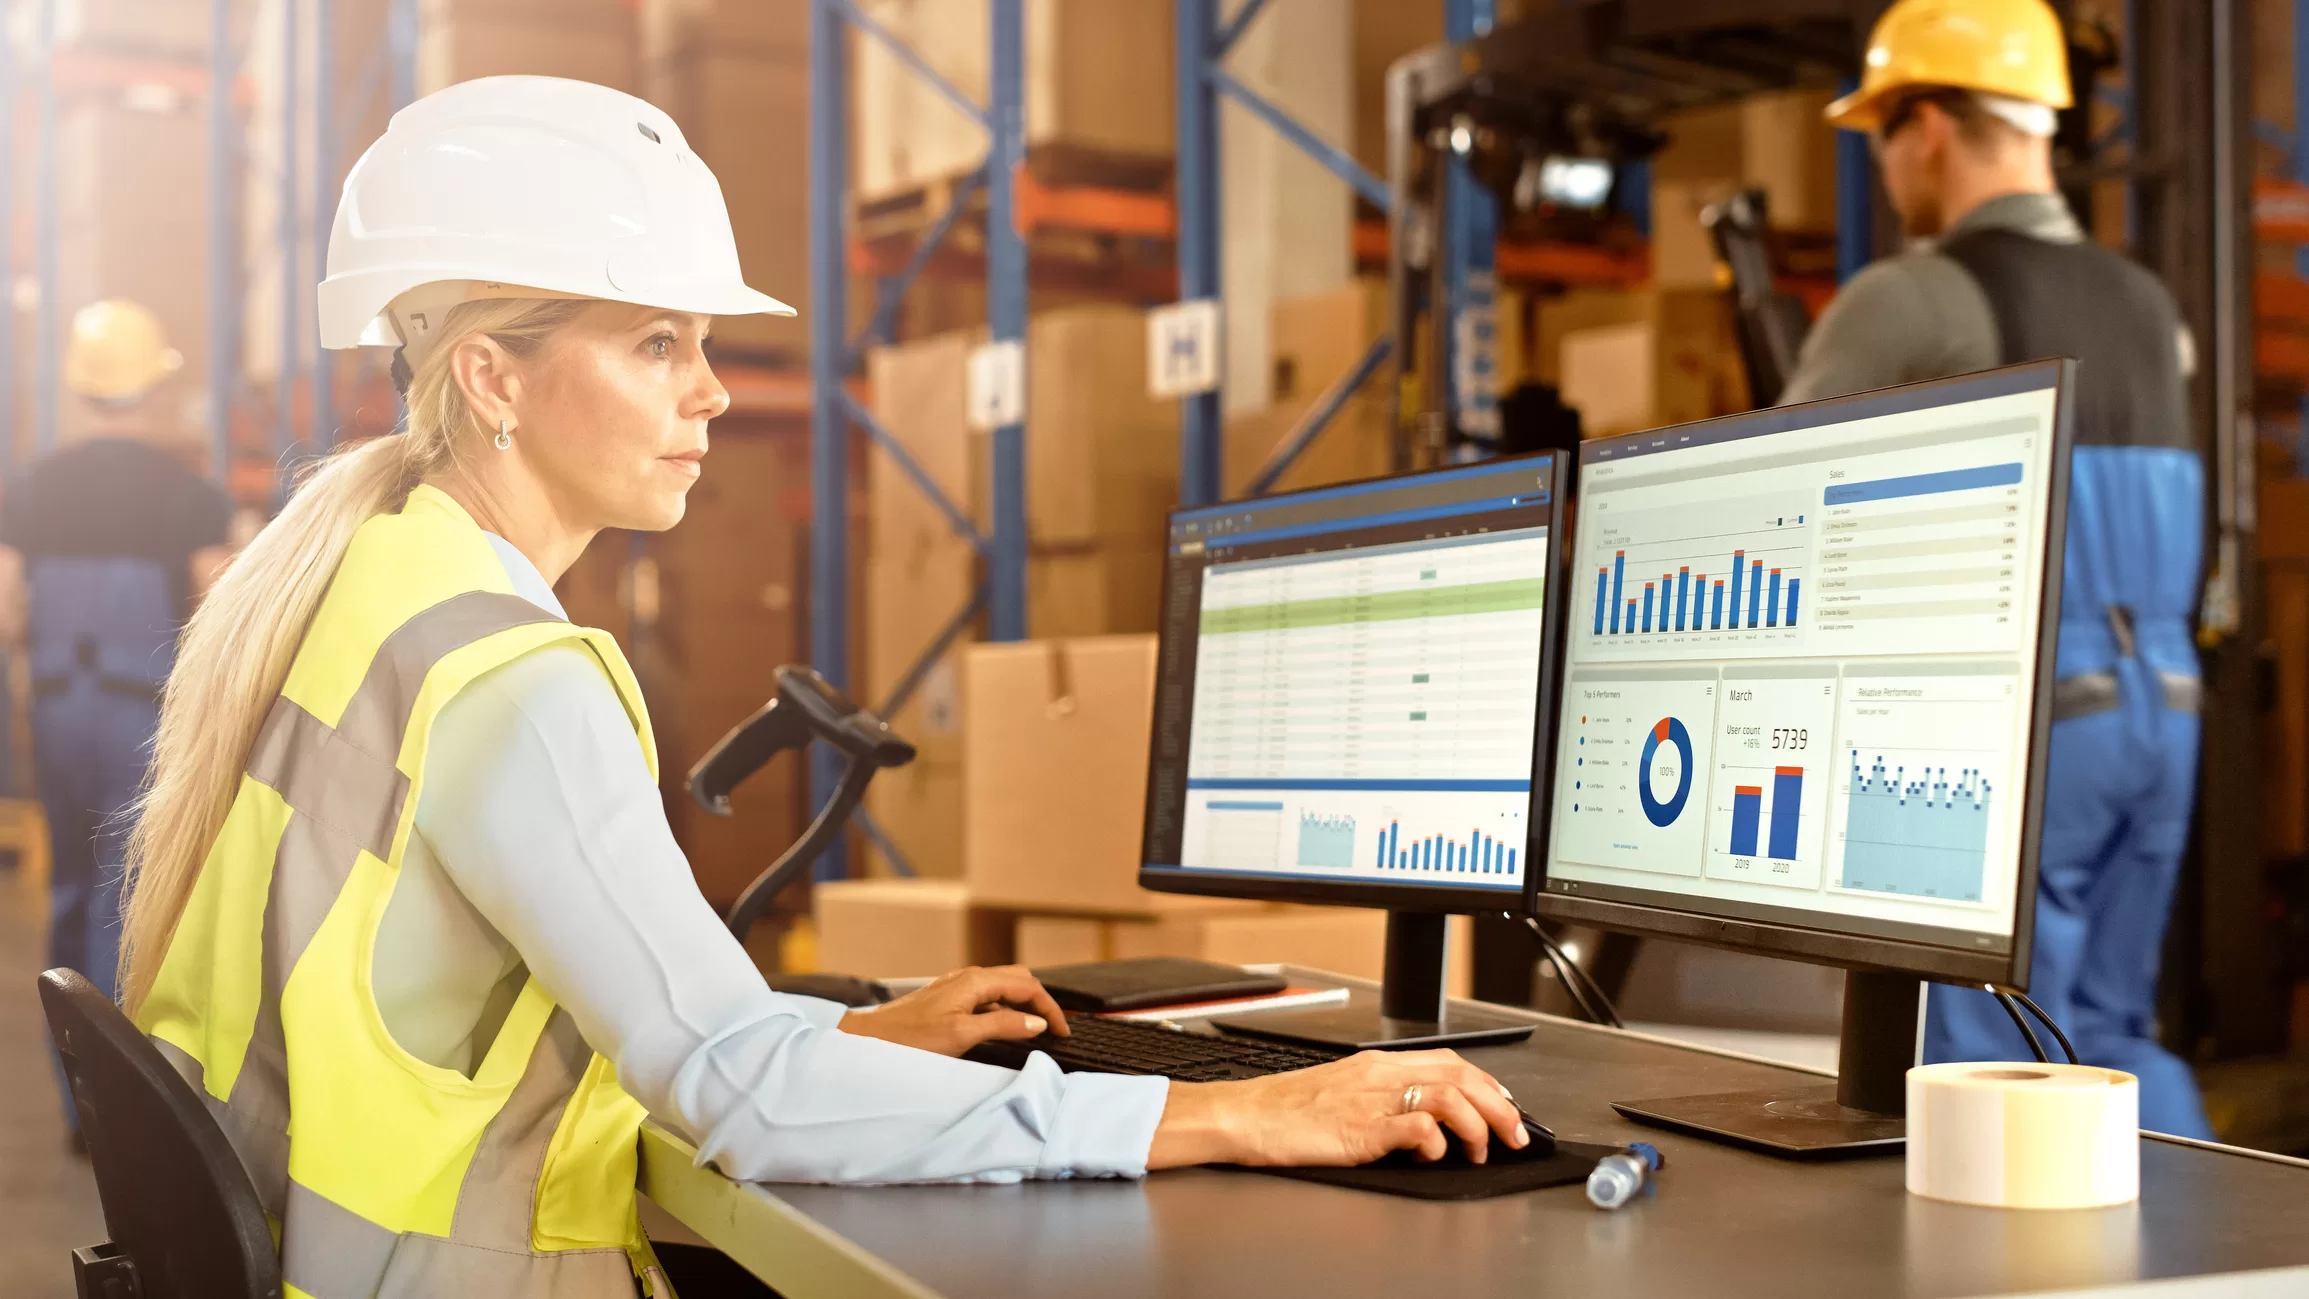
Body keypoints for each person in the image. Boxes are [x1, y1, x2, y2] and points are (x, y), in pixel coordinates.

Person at [112, 76, 1530, 1298]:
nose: (714, 391)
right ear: (493, 376)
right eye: (657, 343)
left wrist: (836, 1035)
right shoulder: (507, 679)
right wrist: (1241, 1114)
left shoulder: (367, 583)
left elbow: (547, 1015)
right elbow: (735, 1089)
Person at [1782, 0, 2212, 1137]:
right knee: (2109, 1044)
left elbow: (1768, 505)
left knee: (1977, 1079)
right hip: (2161, 715)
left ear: (1924, 124)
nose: (1880, 162)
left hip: (2015, 737)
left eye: (1879, 131)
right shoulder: (2152, 307)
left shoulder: (1910, 296)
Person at [0, 298, 234, 1146]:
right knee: (127, 901)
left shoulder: (31, 488)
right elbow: (218, 609)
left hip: (59, 711)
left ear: (80, 388)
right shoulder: (189, 496)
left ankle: (79, 1104)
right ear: (153, 389)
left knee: (69, 893)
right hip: (145, 716)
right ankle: (123, 1107)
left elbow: (6, 607)